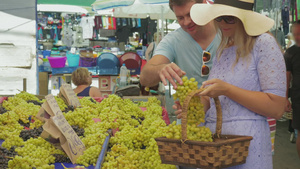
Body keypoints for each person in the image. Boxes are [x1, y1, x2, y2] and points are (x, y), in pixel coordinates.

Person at [175, 0, 286, 168]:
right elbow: (215, 100)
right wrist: (193, 107)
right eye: (218, 18)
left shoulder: (264, 43)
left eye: (229, 18)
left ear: (245, 18)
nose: (222, 23)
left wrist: (227, 89)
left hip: (248, 150)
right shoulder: (223, 48)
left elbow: (277, 107)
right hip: (216, 151)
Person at [140, 0, 220, 90]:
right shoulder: (173, 40)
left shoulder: (227, 31)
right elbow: (144, 78)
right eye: (180, 18)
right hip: (188, 104)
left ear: (204, 4)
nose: (186, 22)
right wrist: (160, 69)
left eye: (190, 14)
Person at [284, 20, 300, 159]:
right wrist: (285, 98)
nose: (298, 37)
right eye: (295, 34)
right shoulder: (290, 53)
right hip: (298, 96)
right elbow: (286, 78)